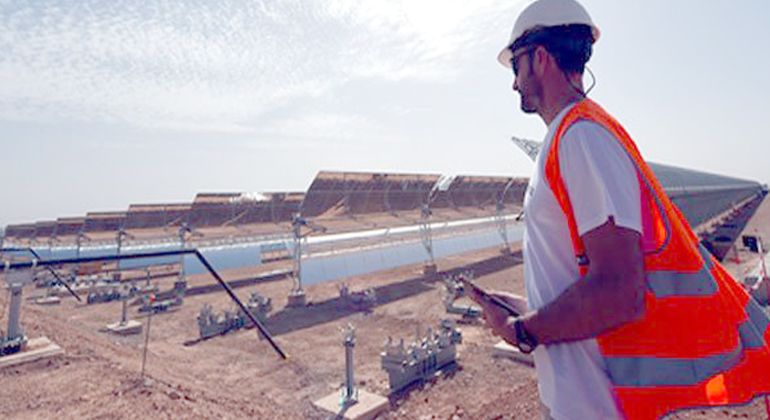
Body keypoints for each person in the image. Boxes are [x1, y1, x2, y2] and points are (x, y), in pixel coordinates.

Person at [467, 0, 770, 419]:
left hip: (593, 404)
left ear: (539, 58)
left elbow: (619, 291)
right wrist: (527, 308)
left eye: (516, 65)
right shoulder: (569, 138)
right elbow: (585, 275)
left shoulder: (581, 139)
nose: (514, 83)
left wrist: (522, 332)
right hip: (577, 396)